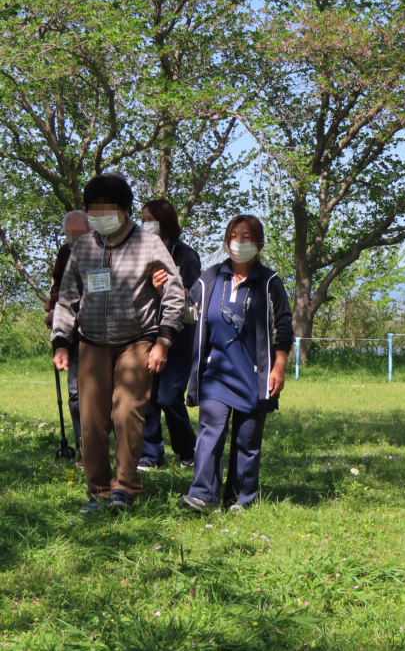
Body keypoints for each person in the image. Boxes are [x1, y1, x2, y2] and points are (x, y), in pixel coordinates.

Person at [50, 174, 186, 512]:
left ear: (124, 210)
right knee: (92, 419)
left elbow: (175, 294)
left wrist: (163, 341)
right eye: (92, 210)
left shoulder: (148, 245)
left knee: (127, 413)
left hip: (136, 340)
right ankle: (98, 491)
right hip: (91, 342)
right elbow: (67, 299)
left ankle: (125, 487)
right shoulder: (82, 247)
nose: (98, 216)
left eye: (105, 210)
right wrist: (61, 343)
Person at [178, 214, 293, 513]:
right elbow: (188, 313)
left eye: (246, 237)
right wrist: (165, 290)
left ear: (259, 244)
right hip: (215, 372)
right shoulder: (210, 278)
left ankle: (241, 499)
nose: (238, 243)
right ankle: (204, 495)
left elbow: (284, 327)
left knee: (247, 440)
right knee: (210, 430)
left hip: (255, 375)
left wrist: (278, 366)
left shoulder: (270, 283)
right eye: (234, 236)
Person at [137, 199, 201, 470]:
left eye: (149, 218)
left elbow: (188, 301)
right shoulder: (139, 252)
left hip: (179, 341)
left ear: (164, 221)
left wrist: (162, 290)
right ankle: (150, 454)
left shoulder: (186, 256)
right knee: (148, 397)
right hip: (145, 336)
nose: (144, 224)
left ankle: (188, 450)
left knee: (168, 396)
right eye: (142, 219)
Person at [44, 210, 90, 460]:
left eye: (78, 232)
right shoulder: (65, 252)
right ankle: (83, 445)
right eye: (69, 233)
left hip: (96, 329)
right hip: (69, 329)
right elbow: (58, 286)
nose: (73, 238)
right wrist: (53, 308)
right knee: (74, 393)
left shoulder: (103, 250)